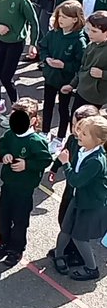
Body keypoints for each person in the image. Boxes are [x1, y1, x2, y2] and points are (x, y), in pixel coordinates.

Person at [0, 99, 52, 266]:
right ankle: (3, 242)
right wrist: (5, 155)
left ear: (32, 121)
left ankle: (16, 249)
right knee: (3, 216)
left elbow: (45, 160)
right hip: (8, 184)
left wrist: (28, 164)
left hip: (24, 189)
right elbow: (1, 147)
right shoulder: (10, 135)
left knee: (19, 220)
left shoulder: (36, 141)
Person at [53, 114, 107, 281]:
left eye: (84, 134)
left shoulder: (96, 161)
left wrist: (65, 163)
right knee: (66, 229)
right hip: (78, 200)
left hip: (90, 204)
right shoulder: (83, 150)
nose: (79, 136)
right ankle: (58, 254)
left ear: (98, 140)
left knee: (79, 237)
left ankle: (92, 268)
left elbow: (76, 181)